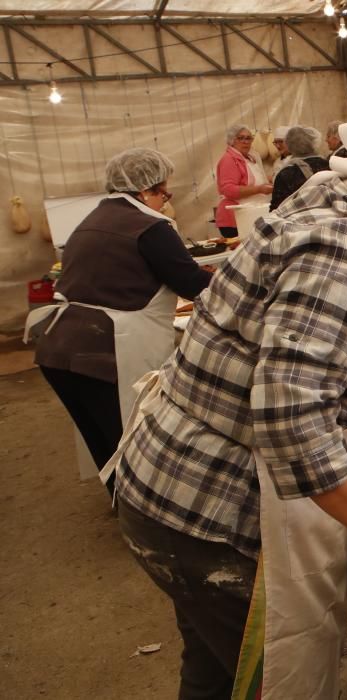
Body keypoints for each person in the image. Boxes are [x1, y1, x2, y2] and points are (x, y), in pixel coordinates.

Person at [105, 113, 347, 699]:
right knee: (258, 679)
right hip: (217, 517)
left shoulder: (328, 204)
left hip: (163, 489)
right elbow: (291, 422)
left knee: (214, 671)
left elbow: (280, 343)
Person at [27, 148, 212, 495]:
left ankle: (123, 504)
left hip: (57, 345)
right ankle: (146, 514)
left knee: (104, 441)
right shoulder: (151, 227)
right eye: (163, 192)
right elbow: (190, 283)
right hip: (104, 350)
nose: (165, 201)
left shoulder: (94, 216)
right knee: (132, 437)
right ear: (144, 191)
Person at [215, 125, 273, 237]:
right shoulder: (229, 159)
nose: (246, 142)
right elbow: (228, 190)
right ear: (232, 141)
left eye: (248, 138)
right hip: (235, 219)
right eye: (241, 138)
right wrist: (259, 189)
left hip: (252, 215)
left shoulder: (250, 158)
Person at [269, 125, 331, 210]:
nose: (278, 145)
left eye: (280, 142)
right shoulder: (329, 164)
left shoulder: (286, 174)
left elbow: (276, 209)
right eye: (276, 142)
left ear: (289, 145)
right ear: (313, 143)